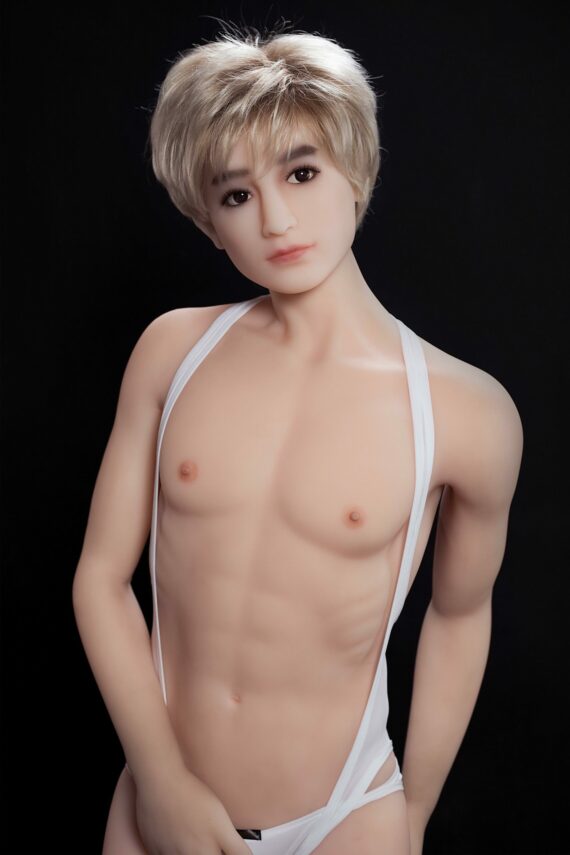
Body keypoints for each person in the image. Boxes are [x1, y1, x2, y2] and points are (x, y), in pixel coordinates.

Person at [72, 20, 523, 855]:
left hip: (346, 817)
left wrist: (414, 812)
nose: (277, 219)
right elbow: (100, 577)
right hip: (164, 800)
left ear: (357, 171)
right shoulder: (172, 352)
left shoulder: (466, 412)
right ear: (209, 222)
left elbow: (460, 614)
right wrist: (159, 778)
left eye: (302, 172)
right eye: (236, 195)